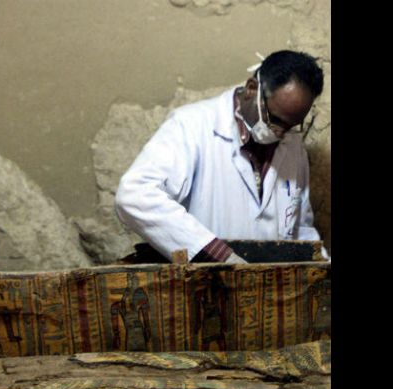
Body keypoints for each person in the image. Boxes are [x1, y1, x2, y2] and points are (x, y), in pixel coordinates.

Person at [115, 50, 327, 263]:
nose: (280, 133)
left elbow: (300, 229)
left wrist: (322, 268)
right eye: (275, 120)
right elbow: (135, 195)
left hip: (268, 282)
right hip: (205, 279)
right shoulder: (191, 126)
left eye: (291, 125)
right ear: (252, 90)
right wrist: (219, 255)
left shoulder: (292, 145)